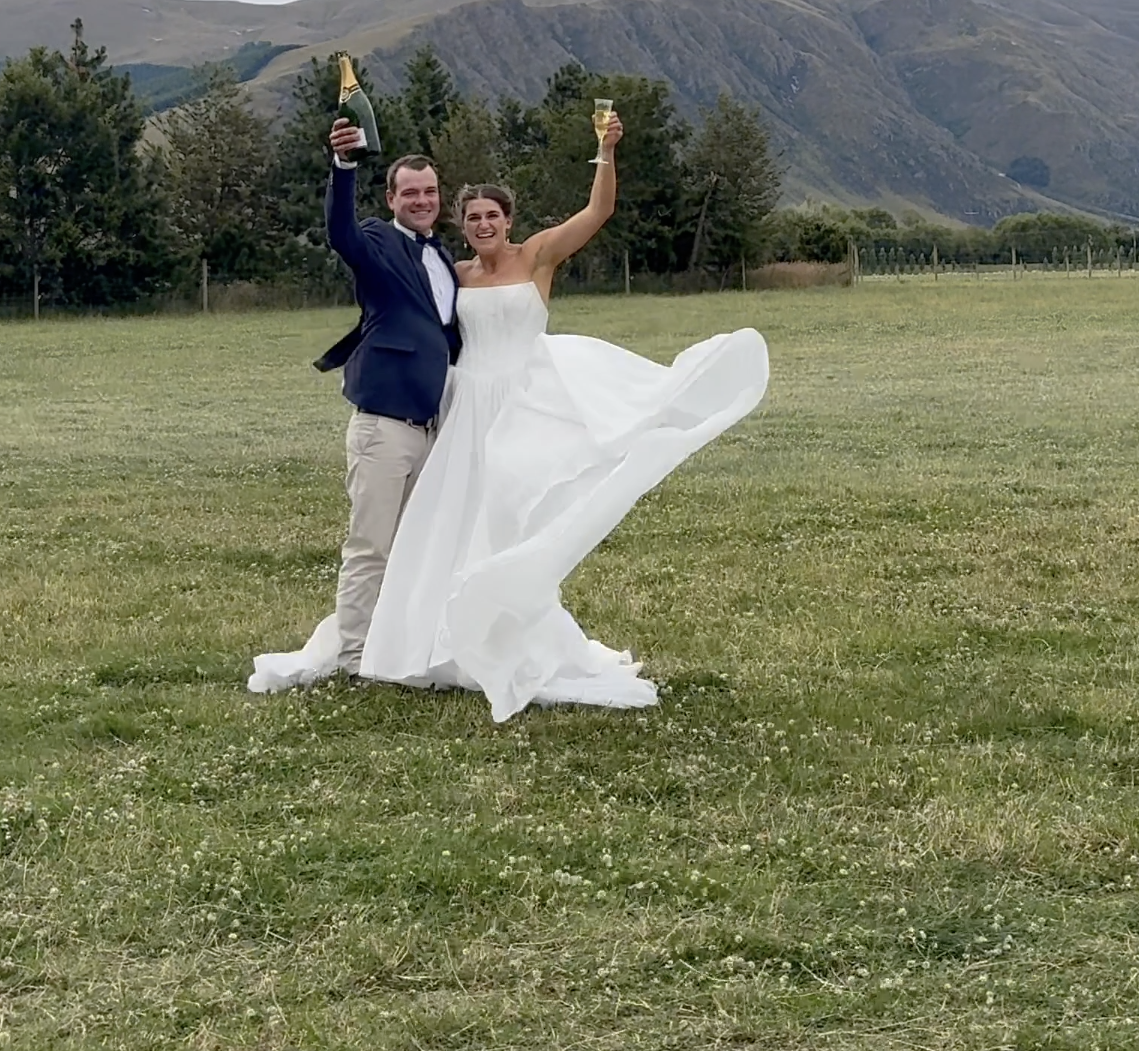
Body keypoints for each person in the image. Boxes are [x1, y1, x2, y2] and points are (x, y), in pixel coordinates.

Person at [249, 108, 769, 719]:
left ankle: (497, 632)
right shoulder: (453, 269)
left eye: (492, 215)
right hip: (458, 412)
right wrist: (343, 167)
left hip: (519, 406)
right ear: (458, 225)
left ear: (509, 220)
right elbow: (371, 268)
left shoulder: (535, 258)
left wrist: (606, 151)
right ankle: (398, 641)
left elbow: (597, 213)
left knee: (506, 526)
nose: (483, 223)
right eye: (472, 217)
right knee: (439, 532)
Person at [248, 131, 461, 690]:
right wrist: (343, 166)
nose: (421, 201)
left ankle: (404, 646)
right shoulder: (375, 240)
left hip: (432, 426)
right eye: (410, 193)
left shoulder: (441, 255)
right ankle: (354, 661)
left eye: (430, 192)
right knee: (371, 546)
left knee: (417, 548)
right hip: (384, 425)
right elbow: (339, 232)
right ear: (390, 199)